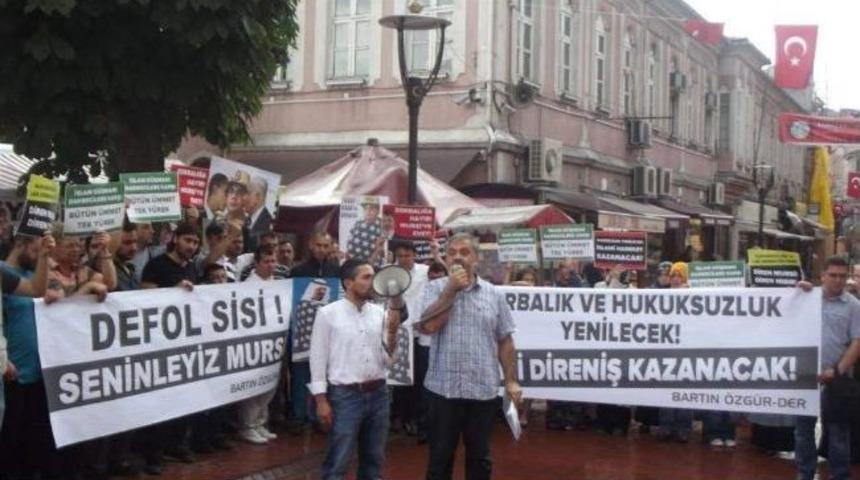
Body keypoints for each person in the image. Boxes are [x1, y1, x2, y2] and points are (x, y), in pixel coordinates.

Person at [418, 232, 521, 480]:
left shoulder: (494, 294)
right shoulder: (433, 289)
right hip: (443, 390)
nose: (458, 257)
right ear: (445, 257)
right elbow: (429, 327)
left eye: (464, 252)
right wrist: (451, 291)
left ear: (476, 258)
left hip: (482, 390)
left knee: (480, 459)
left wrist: (511, 380)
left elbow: (505, 340)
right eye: (452, 252)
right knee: (439, 459)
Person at [0, 233, 103, 480]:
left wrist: (84, 288)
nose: (39, 259)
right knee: (8, 440)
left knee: (30, 438)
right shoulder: (4, 272)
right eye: (36, 252)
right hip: (12, 370)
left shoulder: (34, 278)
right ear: (19, 245)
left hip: (40, 369)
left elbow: (59, 309)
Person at [309, 258, 405, 480]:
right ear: (348, 283)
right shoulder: (328, 314)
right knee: (338, 461)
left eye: (373, 276)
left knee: (374, 459)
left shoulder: (379, 313)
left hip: (379, 393)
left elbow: (388, 361)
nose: (373, 282)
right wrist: (321, 401)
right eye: (366, 277)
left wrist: (392, 334)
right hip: (345, 396)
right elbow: (317, 359)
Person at [139, 222, 199, 474]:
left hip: (184, 343)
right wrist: (172, 293)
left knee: (182, 397)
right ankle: (153, 452)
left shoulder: (193, 268)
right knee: (160, 400)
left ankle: (176, 444)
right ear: (175, 239)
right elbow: (143, 298)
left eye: (196, 242)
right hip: (159, 344)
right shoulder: (157, 265)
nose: (191, 246)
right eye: (188, 240)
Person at [794, 256, 860, 480]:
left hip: (837, 379)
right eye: (833, 275)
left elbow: (857, 342)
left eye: (843, 276)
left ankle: (840, 475)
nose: (838, 280)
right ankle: (805, 474)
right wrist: (795, 291)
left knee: (839, 433)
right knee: (803, 432)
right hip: (805, 375)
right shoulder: (805, 298)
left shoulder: (853, 306)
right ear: (822, 276)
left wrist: (837, 370)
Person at [237, 245, 283, 444]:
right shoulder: (247, 286)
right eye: (267, 261)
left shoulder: (279, 283)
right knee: (253, 386)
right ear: (257, 263)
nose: (271, 265)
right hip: (254, 342)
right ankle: (248, 426)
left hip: (274, 341)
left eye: (274, 261)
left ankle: (261, 423)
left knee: (269, 384)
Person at [390, 240, 430, 441]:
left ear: (414, 255)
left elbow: (445, 277)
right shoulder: (390, 273)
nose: (404, 259)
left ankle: (414, 418)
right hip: (399, 332)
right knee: (399, 378)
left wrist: (437, 255)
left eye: (407, 255)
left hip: (420, 333)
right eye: (400, 256)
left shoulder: (425, 271)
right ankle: (398, 415)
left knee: (419, 378)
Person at [656, 262, 694, 443]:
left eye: (679, 276)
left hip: (685, 349)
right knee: (666, 390)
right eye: (673, 276)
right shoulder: (662, 294)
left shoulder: (693, 295)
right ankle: (666, 426)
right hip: (667, 349)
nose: (676, 279)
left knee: (683, 389)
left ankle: (683, 428)